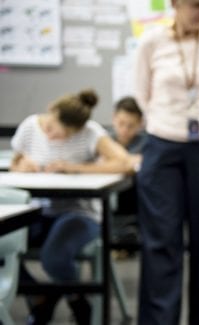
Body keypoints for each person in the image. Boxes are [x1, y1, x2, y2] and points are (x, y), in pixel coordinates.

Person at [133, 0, 199, 323]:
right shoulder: (151, 42)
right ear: (175, 4)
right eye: (195, 5)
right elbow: (141, 94)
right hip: (162, 146)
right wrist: (169, 124)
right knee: (160, 244)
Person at [10, 89, 130, 325]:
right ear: (50, 110)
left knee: (54, 257)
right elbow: (16, 161)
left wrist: (76, 168)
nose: (51, 136)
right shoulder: (30, 127)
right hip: (38, 209)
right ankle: (39, 296)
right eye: (51, 128)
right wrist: (22, 165)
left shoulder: (91, 133)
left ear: (76, 132)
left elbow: (124, 162)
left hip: (78, 211)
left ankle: (76, 301)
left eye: (61, 135)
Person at [109, 96, 146, 257]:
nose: (124, 130)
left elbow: (131, 166)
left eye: (131, 125)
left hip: (133, 207)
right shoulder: (104, 140)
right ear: (114, 119)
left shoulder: (146, 143)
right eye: (121, 123)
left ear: (140, 124)